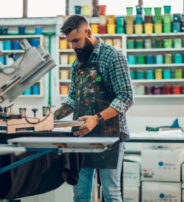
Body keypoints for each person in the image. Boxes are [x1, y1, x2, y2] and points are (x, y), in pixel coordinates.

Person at [54, 15, 134, 202]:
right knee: (80, 194)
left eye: (76, 40)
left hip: (110, 135)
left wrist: (96, 118)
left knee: (111, 192)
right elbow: (74, 97)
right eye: (70, 42)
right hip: (81, 135)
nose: (73, 46)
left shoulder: (113, 57)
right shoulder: (77, 64)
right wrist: (52, 118)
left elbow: (126, 97)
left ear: (88, 32)